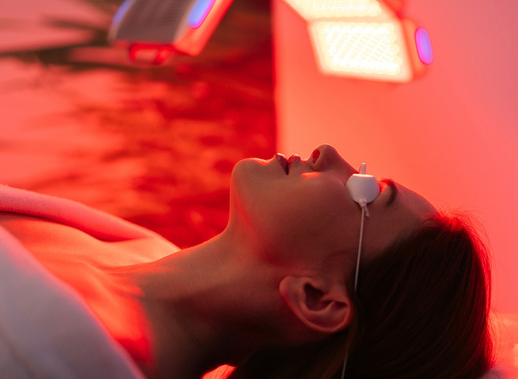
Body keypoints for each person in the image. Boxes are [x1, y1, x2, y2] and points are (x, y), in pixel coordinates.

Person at [0, 144, 493, 379]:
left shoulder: (66, 360)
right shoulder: (145, 251)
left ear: (317, 298)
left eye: (366, 191)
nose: (328, 153)